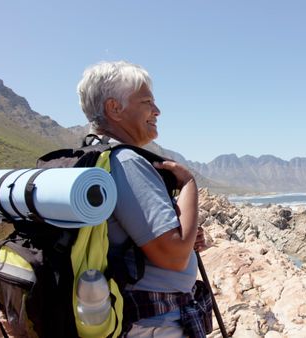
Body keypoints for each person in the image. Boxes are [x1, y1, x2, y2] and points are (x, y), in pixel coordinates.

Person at [77, 60, 209, 337]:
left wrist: (186, 230)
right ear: (115, 108)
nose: (157, 111)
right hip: (155, 323)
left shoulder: (95, 155)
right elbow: (173, 256)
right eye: (147, 101)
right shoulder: (126, 161)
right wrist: (188, 184)